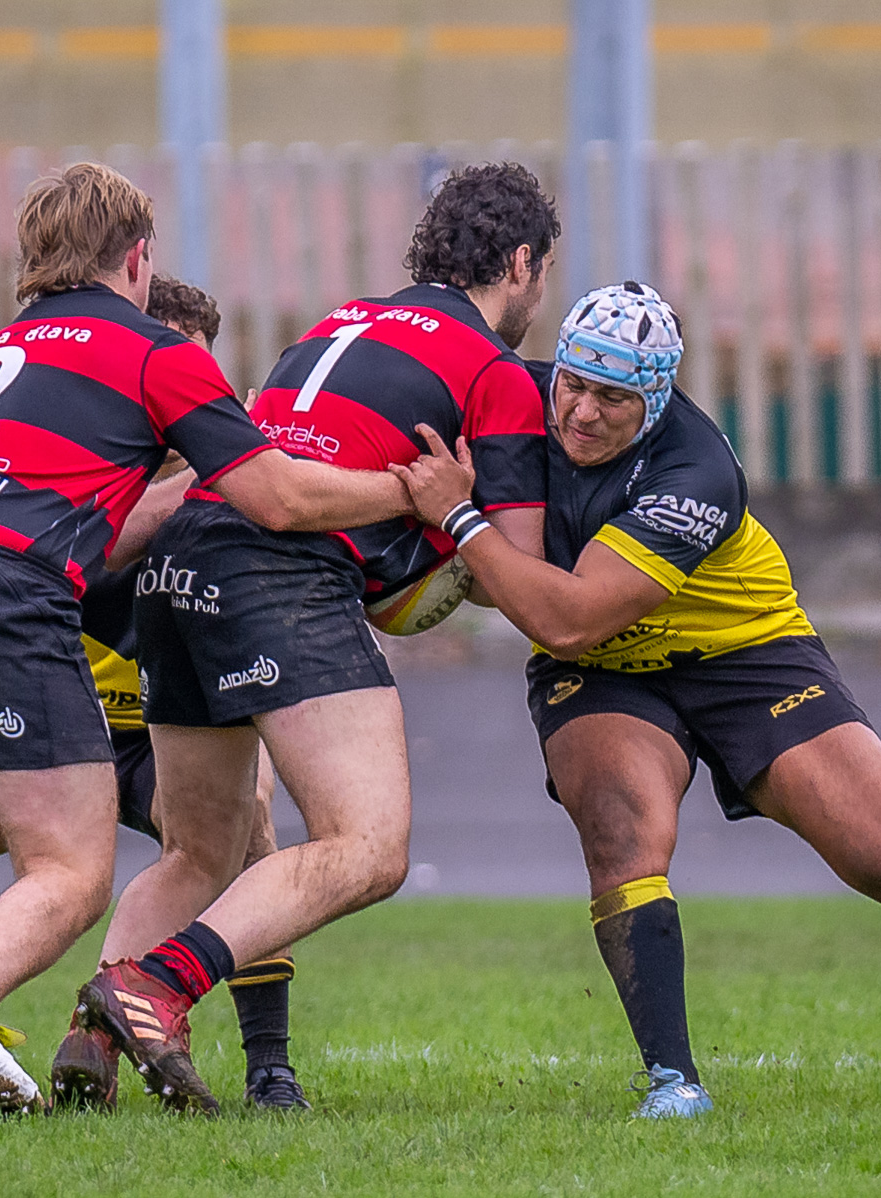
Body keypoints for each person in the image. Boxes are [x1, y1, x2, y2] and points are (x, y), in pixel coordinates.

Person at [389, 281, 881, 1118]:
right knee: (623, 833)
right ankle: (673, 1083)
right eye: (573, 385)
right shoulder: (520, 403)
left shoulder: (696, 471)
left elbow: (570, 618)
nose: (581, 414)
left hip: (743, 651)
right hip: (608, 670)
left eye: (612, 399)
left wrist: (460, 518)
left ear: (656, 399)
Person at [0, 164, 410, 1114]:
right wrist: (409, 492)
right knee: (70, 871)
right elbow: (275, 493)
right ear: (137, 256)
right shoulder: (153, 351)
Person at [63, 162, 559, 1115]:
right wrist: (453, 529)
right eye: (541, 277)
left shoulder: (335, 324)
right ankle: (153, 987)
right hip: (278, 576)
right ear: (525, 262)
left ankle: (90, 1042)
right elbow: (511, 563)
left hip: (179, 562)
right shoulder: (493, 371)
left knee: (197, 848)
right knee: (370, 846)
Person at [0, 278, 306, 1113]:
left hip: (153, 741)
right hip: (46, 727)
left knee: (249, 818)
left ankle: (268, 1069)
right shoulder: (74, 478)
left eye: (198, 376)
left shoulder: (221, 484)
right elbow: (101, 543)